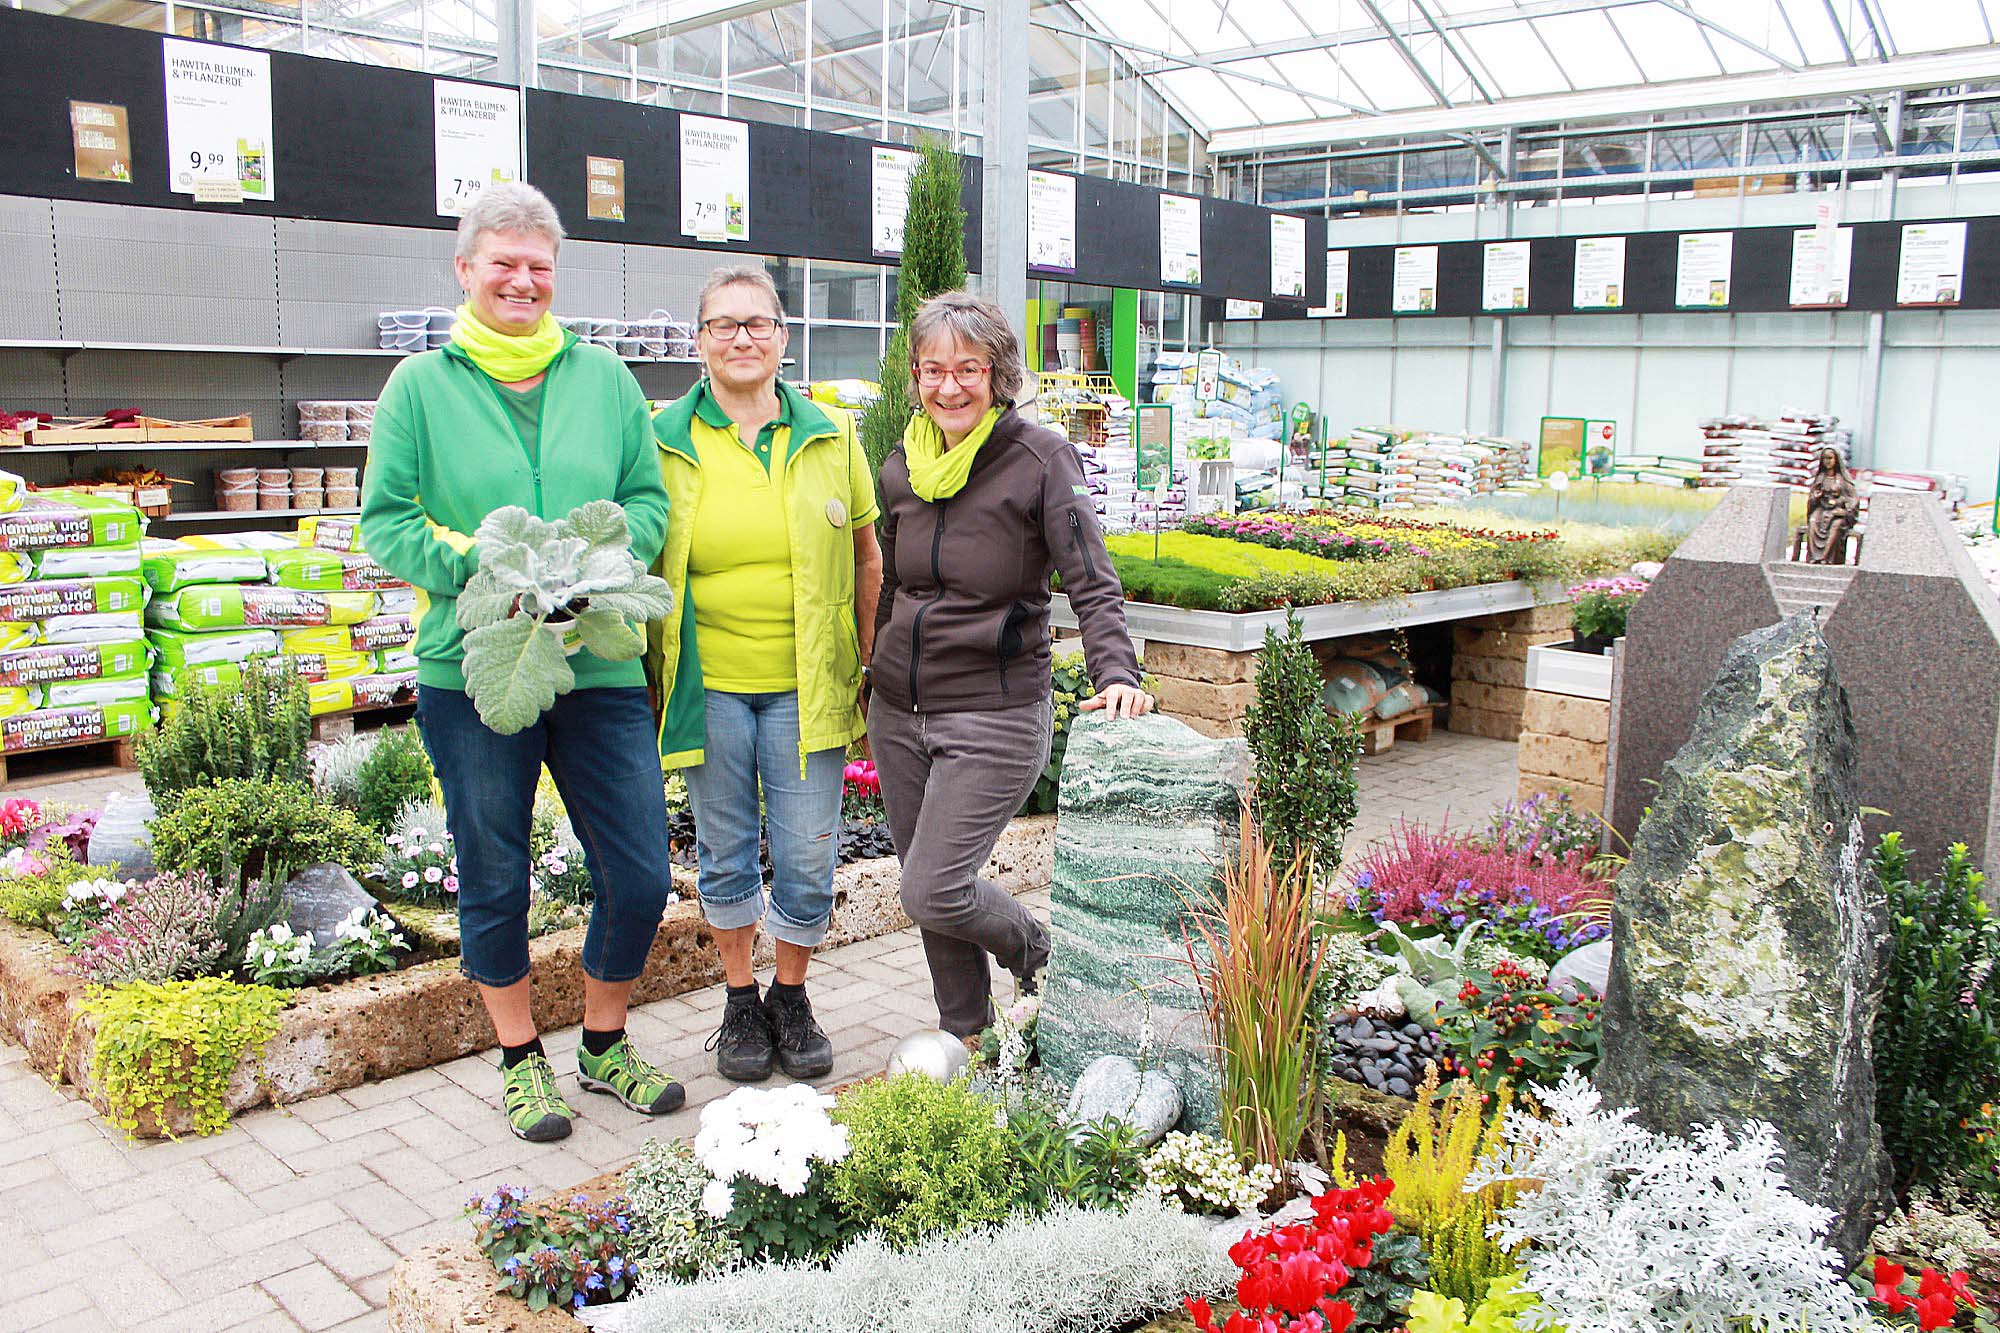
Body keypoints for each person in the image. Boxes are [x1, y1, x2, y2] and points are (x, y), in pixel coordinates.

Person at [361, 182, 684, 1143]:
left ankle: (602, 1040)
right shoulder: (420, 387)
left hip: (598, 665)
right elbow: (386, 520)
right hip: (475, 669)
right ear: (465, 270)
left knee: (640, 873)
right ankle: (518, 1060)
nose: (522, 279)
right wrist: (481, 567)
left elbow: (646, 499)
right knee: (494, 870)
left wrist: (598, 569)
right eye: (503, 262)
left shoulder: (605, 380)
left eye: (539, 265)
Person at [868, 290, 1152, 1043]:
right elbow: (895, 585)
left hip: (992, 711)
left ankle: (1038, 950)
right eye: (933, 370)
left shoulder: (1039, 458)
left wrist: (1115, 671)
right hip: (898, 713)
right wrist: (874, 671)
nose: (949, 386)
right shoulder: (902, 465)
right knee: (929, 887)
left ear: (998, 374)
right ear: (916, 377)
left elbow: (1091, 576)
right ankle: (969, 1036)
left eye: (968, 368)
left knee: (932, 887)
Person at [648, 265, 882, 1083]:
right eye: (723, 325)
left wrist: (867, 657)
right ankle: (740, 999)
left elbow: (865, 555)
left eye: (758, 324)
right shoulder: (663, 437)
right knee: (725, 849)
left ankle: (791, 993)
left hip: (805, 681)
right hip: (706, 685)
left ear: (784, 337)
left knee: (810, 854)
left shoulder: (832, 434)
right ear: (700, 341)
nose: (741, 338)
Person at [1804, 446, 1860, 566]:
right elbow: (1812, 498)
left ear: (1836, 460)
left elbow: (1853, 499)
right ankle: (1814, 557)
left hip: (1837, 512)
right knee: (1813, 521)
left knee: (1835, 526)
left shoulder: (1843, 480)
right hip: (1822, 509)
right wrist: (1816, 497)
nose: (1827, 461)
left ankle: (1827, 558)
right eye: (1824, 458)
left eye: (1830, 458)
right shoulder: (1820, 478)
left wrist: (1845, 507)